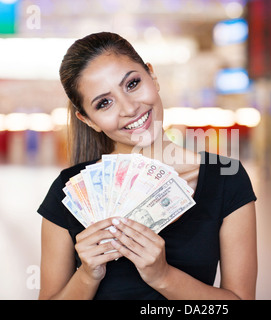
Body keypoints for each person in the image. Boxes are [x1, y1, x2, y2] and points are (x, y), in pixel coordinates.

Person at [37, 32, 257, 300]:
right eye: (104, 103)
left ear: (152, 76)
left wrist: (162, 276)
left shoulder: (226, 178)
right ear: (88, 119)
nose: (129, 108)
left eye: (132, 84)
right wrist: (87, 274)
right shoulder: (68, 192)